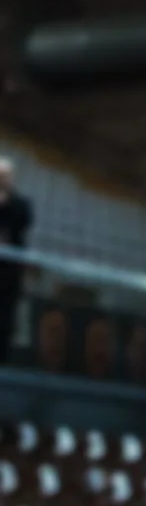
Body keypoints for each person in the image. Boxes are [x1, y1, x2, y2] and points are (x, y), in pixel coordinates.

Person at [0, 156, 32, 364]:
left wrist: (5, 203)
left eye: (5, 177)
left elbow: (23, 223)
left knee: (4, 321)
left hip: (8, 278)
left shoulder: (21, 204)